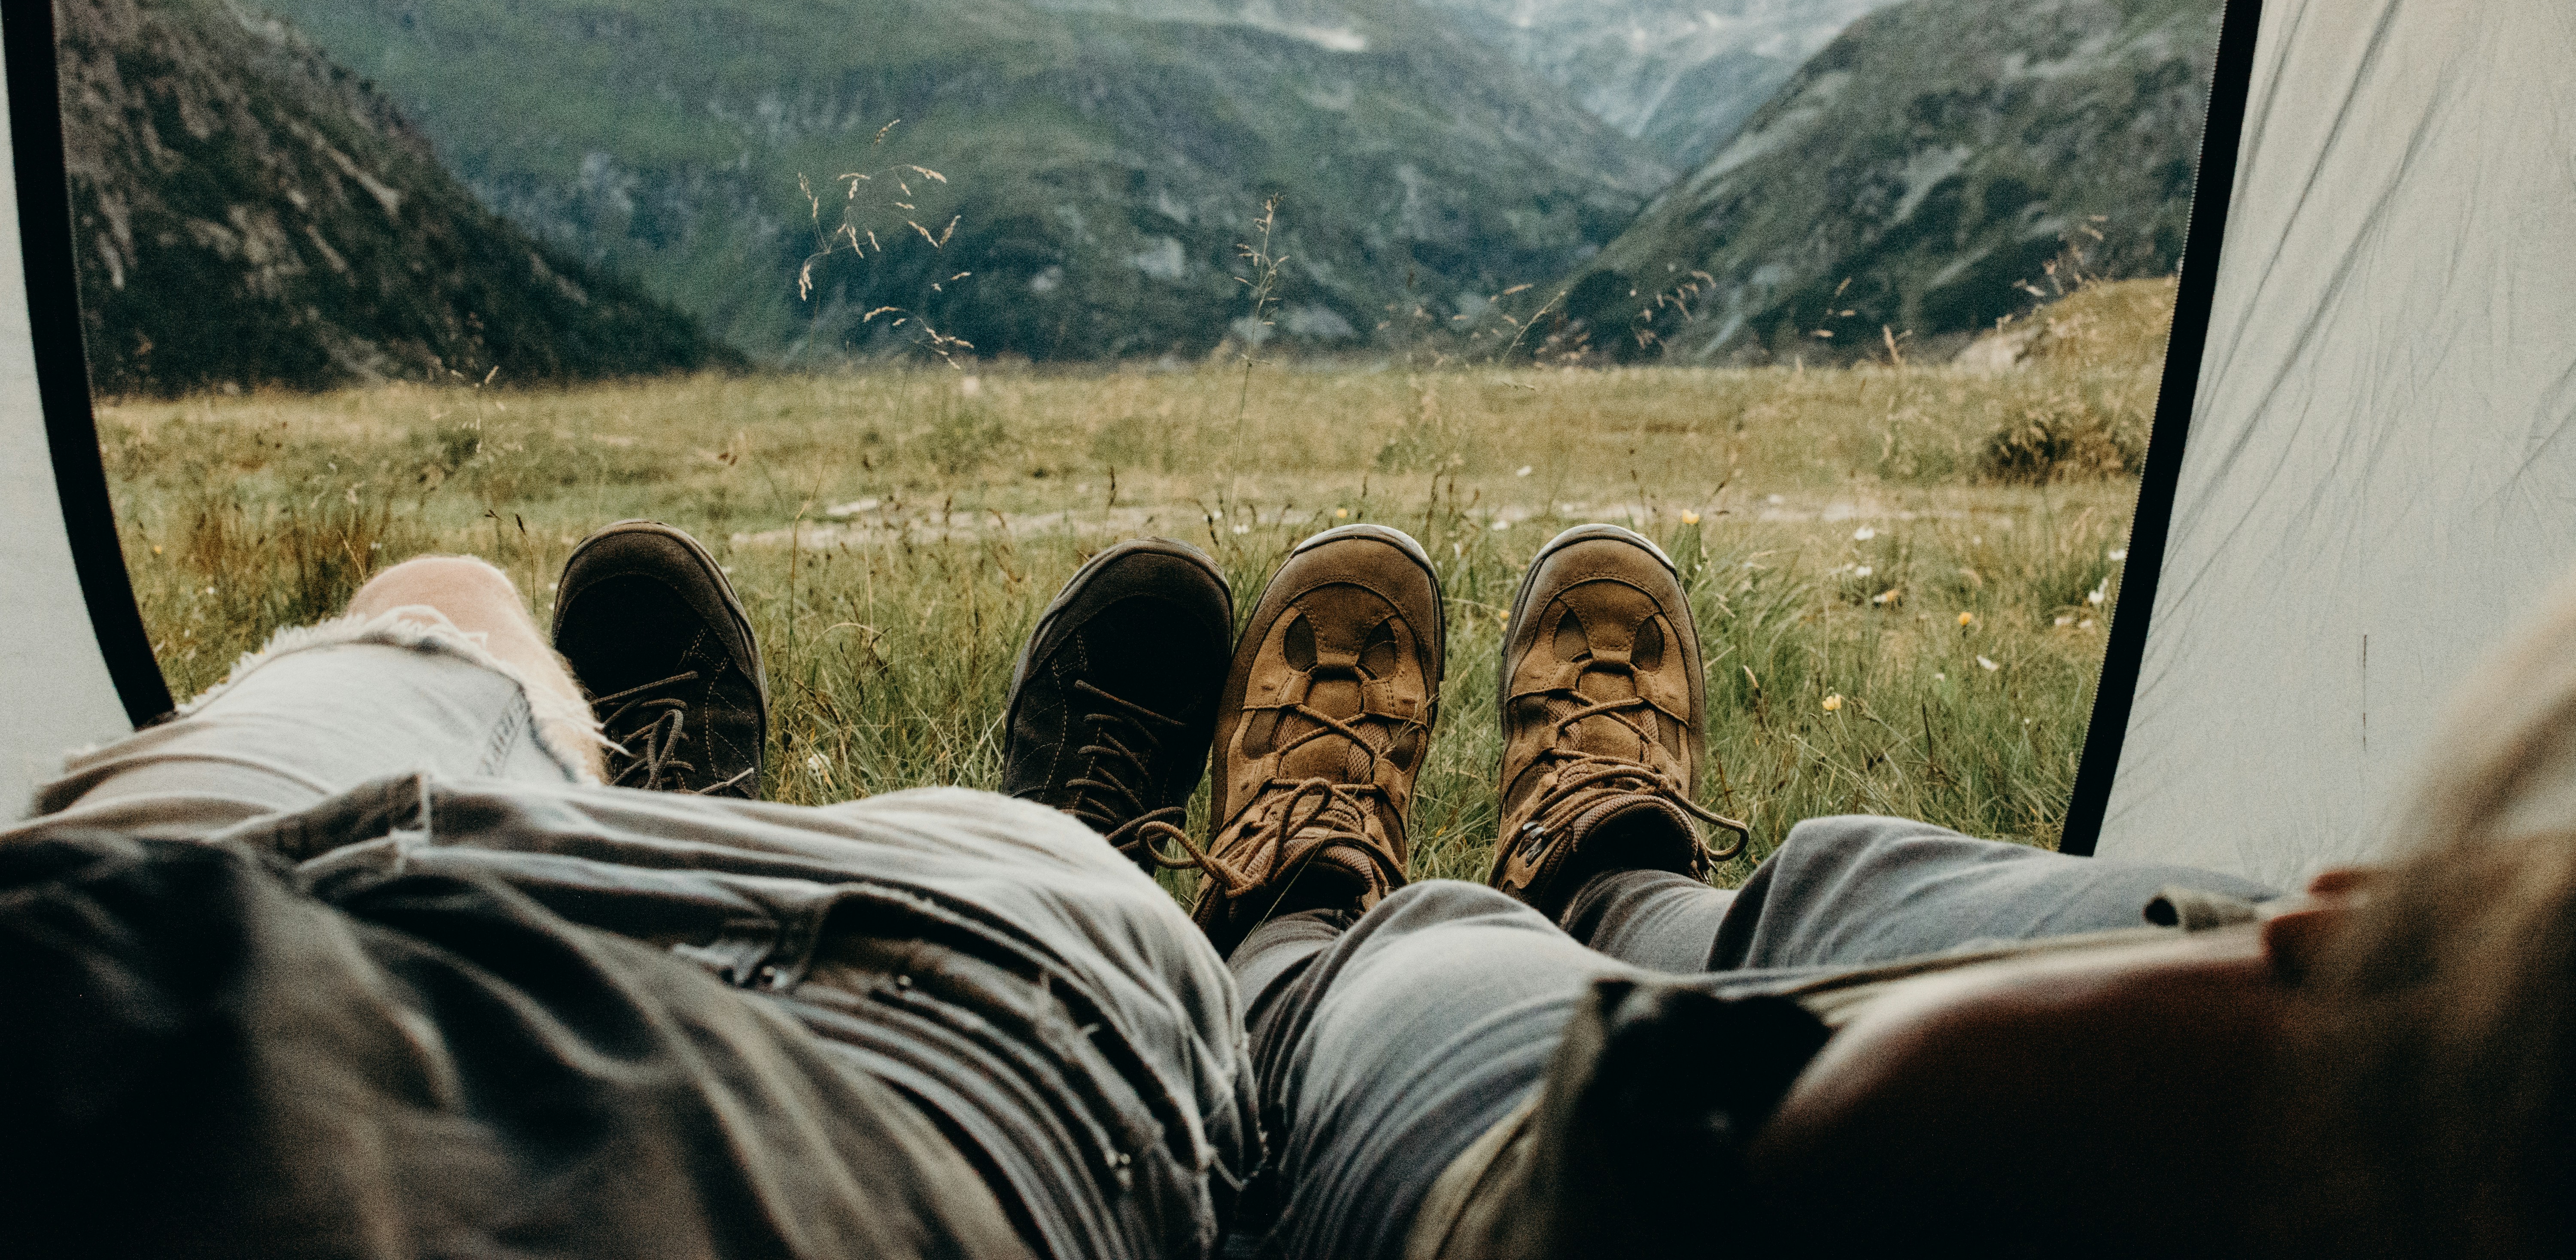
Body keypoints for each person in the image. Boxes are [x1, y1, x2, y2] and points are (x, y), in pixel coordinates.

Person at [0, 517, 2557, 1256]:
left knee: (442, 614)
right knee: (1870, 889)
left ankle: (1290, 915)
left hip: (117, 974)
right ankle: (1612, 860)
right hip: (776, 1116)